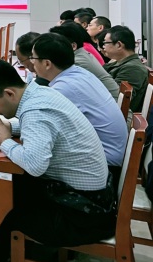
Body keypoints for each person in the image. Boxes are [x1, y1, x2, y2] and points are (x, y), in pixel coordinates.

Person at [0, 58, 116, 262]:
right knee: (11, 189)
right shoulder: (39, 93)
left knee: (1, 208)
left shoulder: (36, 110)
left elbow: (34, 164)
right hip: (95, 199)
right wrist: (8, 126)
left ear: (9, 93)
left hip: (83, 216)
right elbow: (40, 128)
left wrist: (5, 141)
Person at [30, 33, 126, 175]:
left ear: (47, 63)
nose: (32, 63)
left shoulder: (65, 88)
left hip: (104, 165)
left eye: (33, 58)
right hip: (107, 154)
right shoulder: (79, 73)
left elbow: (40, 124)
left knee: (32, 163)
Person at [47, 22, 119, 99]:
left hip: (111, 101)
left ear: (73, 46)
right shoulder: (82, 54)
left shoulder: (77, 62)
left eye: (57, 44)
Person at [102, 25, 148, 112]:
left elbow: (118, 100)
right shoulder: (120, 62)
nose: (103, 46)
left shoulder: (133, 69)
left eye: (105, 43)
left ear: (119, 45)